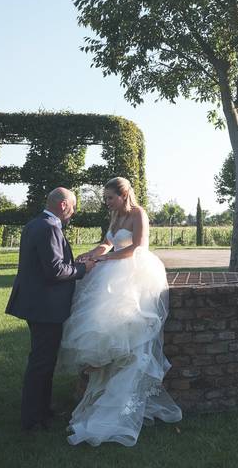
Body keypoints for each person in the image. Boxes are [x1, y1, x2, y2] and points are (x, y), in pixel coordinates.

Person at [57, 176, 182, 446]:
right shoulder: (114, 216)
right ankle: (102, 379)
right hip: (112, 271)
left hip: (135, 273)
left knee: (130, 337)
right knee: (102, 327)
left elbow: (137, 247)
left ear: (124, 195)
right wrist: (92, 254)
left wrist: (103, 258)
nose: (106, 202)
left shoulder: (138, 213)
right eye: (105, 198)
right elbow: (108, 243)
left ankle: (126, 405)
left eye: (110, 198)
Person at [5, 187, 96, 432]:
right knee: (41, 363)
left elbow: (46, 264)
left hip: (35, 303)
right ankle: (32, 419)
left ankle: (43, 410)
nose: (73, 213)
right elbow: (55, 270)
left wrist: (71, 264)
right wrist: (81, 270)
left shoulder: (35, 224)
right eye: (74, 207)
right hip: (45, 307)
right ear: (64, 205)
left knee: (43, 361)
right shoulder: (50, 227)